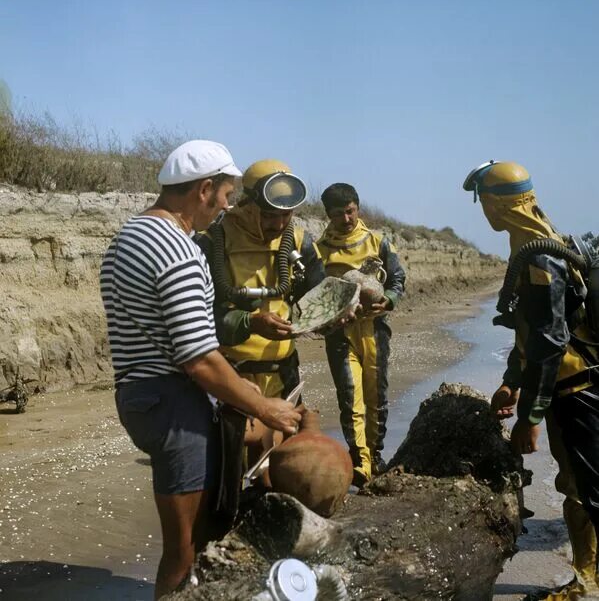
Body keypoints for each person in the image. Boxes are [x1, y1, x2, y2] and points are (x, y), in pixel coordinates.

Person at [100, 141, 301, 600]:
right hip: (175, 406)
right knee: (184, 548)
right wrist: (265, 407)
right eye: (227, 195)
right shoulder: (179, 252)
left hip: (139, 396)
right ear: (205, 189)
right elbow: (200, 359)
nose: (229, 206)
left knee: (198, 532)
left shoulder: (128, 236)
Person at [463, 160, 599, 601]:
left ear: (498, 203)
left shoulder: (539, 257)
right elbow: (532, 330)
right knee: (580, 485)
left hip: (577, 390)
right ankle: (586, 576)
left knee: (589, 488)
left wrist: (530, 416)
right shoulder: (538, 240)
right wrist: (511, 380)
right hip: (571, 383)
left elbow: (548, 344)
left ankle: (587, 582)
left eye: (483, 200)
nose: (482, 209)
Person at [195, 159, 325, 411]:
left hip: (284, 373)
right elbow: (197, 320)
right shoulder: (213, 242)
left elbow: (319, 297)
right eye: (268, 216)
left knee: (287, 448)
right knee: (232, 449)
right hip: (230, 376)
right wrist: (250, 323)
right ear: (248, 205)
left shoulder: (300, 242)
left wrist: (342, 312)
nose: (278, 225)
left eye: (286, 215)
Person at [317, 183, 406, 487]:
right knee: (350, 397)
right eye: (339, 214)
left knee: (376, 395)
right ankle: (360, 461)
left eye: (351, 211)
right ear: (328, 215)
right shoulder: (320, 249)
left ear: (357, 207)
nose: (346, 218)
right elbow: (314, 292)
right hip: (340, 333)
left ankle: (376, 455)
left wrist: (390, 299)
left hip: (375, 330)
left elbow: (397, 278)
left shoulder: (378, 242)